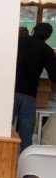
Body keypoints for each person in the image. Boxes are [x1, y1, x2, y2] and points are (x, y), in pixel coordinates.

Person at [14, 22, 56, 152]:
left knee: (4, 131)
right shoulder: (47, 51)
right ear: (48, 36)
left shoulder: (20, 41)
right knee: (26, 137)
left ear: (33, 30)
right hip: (29, 95)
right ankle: (25, 170)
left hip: (11, 92)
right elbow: (54, 76)